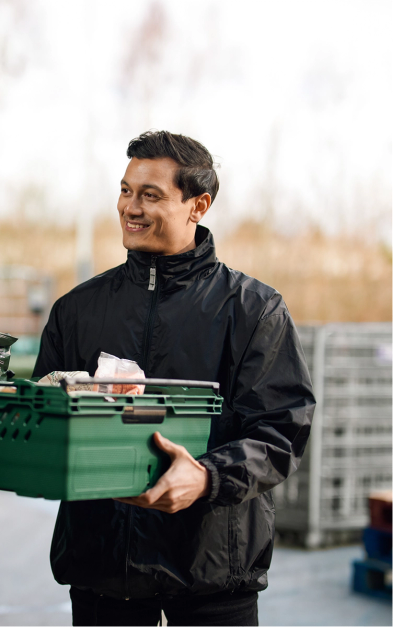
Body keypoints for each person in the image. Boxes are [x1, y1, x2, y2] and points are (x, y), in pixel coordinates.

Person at [33, 130, 316, 626]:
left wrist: (208, 477)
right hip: (104, 576)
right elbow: (45, 418)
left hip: (212, 579)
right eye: (125, 190)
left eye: (150, 194)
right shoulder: (76, 311)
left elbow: (281, 431)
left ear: (197, 205)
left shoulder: (253, 311)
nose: (130, 207)